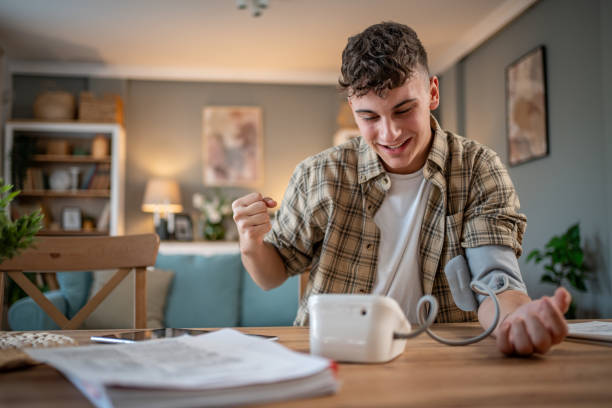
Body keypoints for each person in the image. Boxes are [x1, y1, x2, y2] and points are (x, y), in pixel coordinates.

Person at [232, 22, 570, 356]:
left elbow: (495, 283)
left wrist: (517, 318)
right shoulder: (318, 175)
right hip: (332, 352)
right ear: (353, 109)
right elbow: (270, 276)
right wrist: (251, 244)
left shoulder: (478, 169)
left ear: (433, 93)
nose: (390, 133)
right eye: (370, 117)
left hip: (439, 359)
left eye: (404, 110)